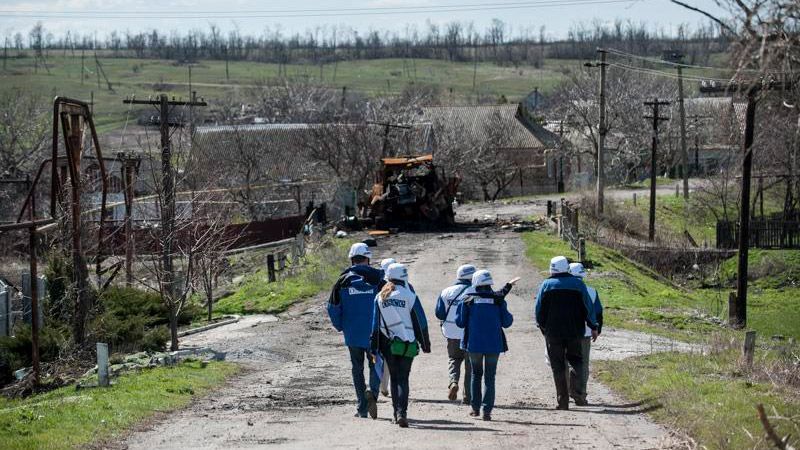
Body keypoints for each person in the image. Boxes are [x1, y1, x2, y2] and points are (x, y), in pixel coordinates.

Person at [327, 243, 384, 419]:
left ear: (352, 259)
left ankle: (362, 407)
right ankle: (372, 393)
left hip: (353, 335)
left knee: (357, 368)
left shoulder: (342, 281)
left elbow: (332, 307)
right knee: (376, 365)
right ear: (368, 259)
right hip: (375, 334)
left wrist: (341, 326)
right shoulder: (379, 280)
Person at [371, 263, 431, 428]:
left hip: (388, 344)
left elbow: (375, 325)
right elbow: (420, 321)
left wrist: (374, 347)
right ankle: (401, 414)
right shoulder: (409, 295)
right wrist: (425, 344)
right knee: (403, 379)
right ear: (404, 277)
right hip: (408, 343)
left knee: (394, 377)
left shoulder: (380, 297)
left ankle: (395, 414)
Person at [534, 256, 598, 410]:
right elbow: (587, 307)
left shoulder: (546, 285)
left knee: (558, 366)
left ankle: (562, 401)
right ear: (567, 268)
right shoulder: (578, 285)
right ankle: (577, 393)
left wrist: (542, 327)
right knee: (576, 361)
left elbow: (538, 309)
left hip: (553, 332)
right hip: (575, 331)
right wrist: (593, 326)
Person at [455, 269, 514, 421]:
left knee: (476, 375)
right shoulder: (498, 300)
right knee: (490, 377)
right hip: (494, 345)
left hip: (474, 344)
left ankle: (475, 408)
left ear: (475, 283)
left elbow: (460, 322)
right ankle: (487, 411)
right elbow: (507, 322)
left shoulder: (468, 300)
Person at [434, 264, 475, 404]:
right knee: (470, 365)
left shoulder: (446, 292)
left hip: (452, 333)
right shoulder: (475, 292)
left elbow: (439, 313)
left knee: (454, 359)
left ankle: (453, 381)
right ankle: (468, 396)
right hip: (470, 334)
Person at [567, 262, 603, 406]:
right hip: (586, 332)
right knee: (582, 364)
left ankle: (566, 391)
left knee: (566, 362)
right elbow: (598, 312)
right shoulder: (592, 291)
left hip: (566, 331)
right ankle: (580, 394)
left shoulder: (563, 288)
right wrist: (597, 329)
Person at [378, 257, 397, 398]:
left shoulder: (377, 284)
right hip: (397, 327)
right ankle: (393, 387)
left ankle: (382, 386)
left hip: (380, 326)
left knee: (380, 357)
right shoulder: (403, 286)